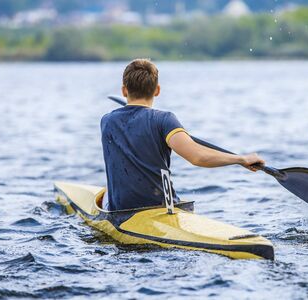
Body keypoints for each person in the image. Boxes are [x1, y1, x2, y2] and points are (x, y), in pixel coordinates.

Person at [101, 59, 265, 211]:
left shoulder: (107, 121)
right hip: (163, 208)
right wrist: (241, 159)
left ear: (124, 90)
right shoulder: (164, 120)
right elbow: (198, 157)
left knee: (108, 190)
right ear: (157, 90)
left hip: (120, 211)